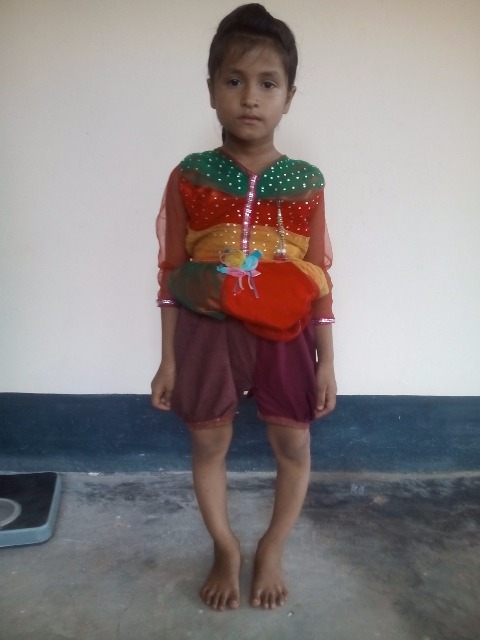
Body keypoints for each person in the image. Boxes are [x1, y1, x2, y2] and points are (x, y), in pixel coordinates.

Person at [151, 3, 336, 611]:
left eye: (267, 83)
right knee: (209, 444)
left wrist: (327, 361)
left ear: (289, 97)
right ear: (211, 90)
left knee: (294, 445)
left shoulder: (307, 181)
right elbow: (171, 272)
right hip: (206, 332)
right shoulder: (191, 176)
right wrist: (168, 360)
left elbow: (320, 274)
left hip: (287, 335)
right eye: (234, 81)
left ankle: (272, 546)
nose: (250, 97)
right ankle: (226, 548)